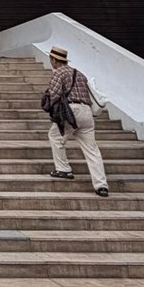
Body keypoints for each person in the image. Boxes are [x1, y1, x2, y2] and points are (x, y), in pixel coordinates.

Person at [40, 45, 109, 197]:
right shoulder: (80, 74)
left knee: (55, 137)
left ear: (54, 60)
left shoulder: (59, 73)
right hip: (87, 112)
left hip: (71, 111)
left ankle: (63, 169)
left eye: (51, 59)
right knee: (92, 150)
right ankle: (101, 185)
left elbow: (54, 95)